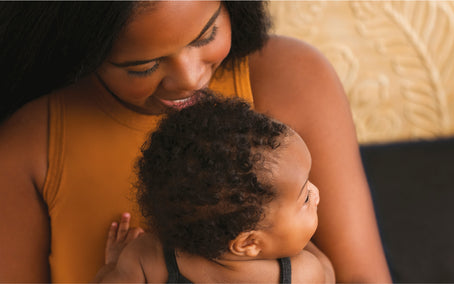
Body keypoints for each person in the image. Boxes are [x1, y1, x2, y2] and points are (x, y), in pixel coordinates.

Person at [0, 1, 391, 282]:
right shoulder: (28, 144)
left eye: (207, 35)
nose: (189, 79)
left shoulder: (292, 78)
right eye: (144, 66)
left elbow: (358, 275)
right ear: (85, 53)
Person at [93, 94, 335, 283]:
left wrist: (112, 265)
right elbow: (329, 273)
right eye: (304, 198)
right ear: (249, 243)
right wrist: (304, 243)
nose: (316, 194)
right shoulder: (302, 274)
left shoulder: (146, 257)